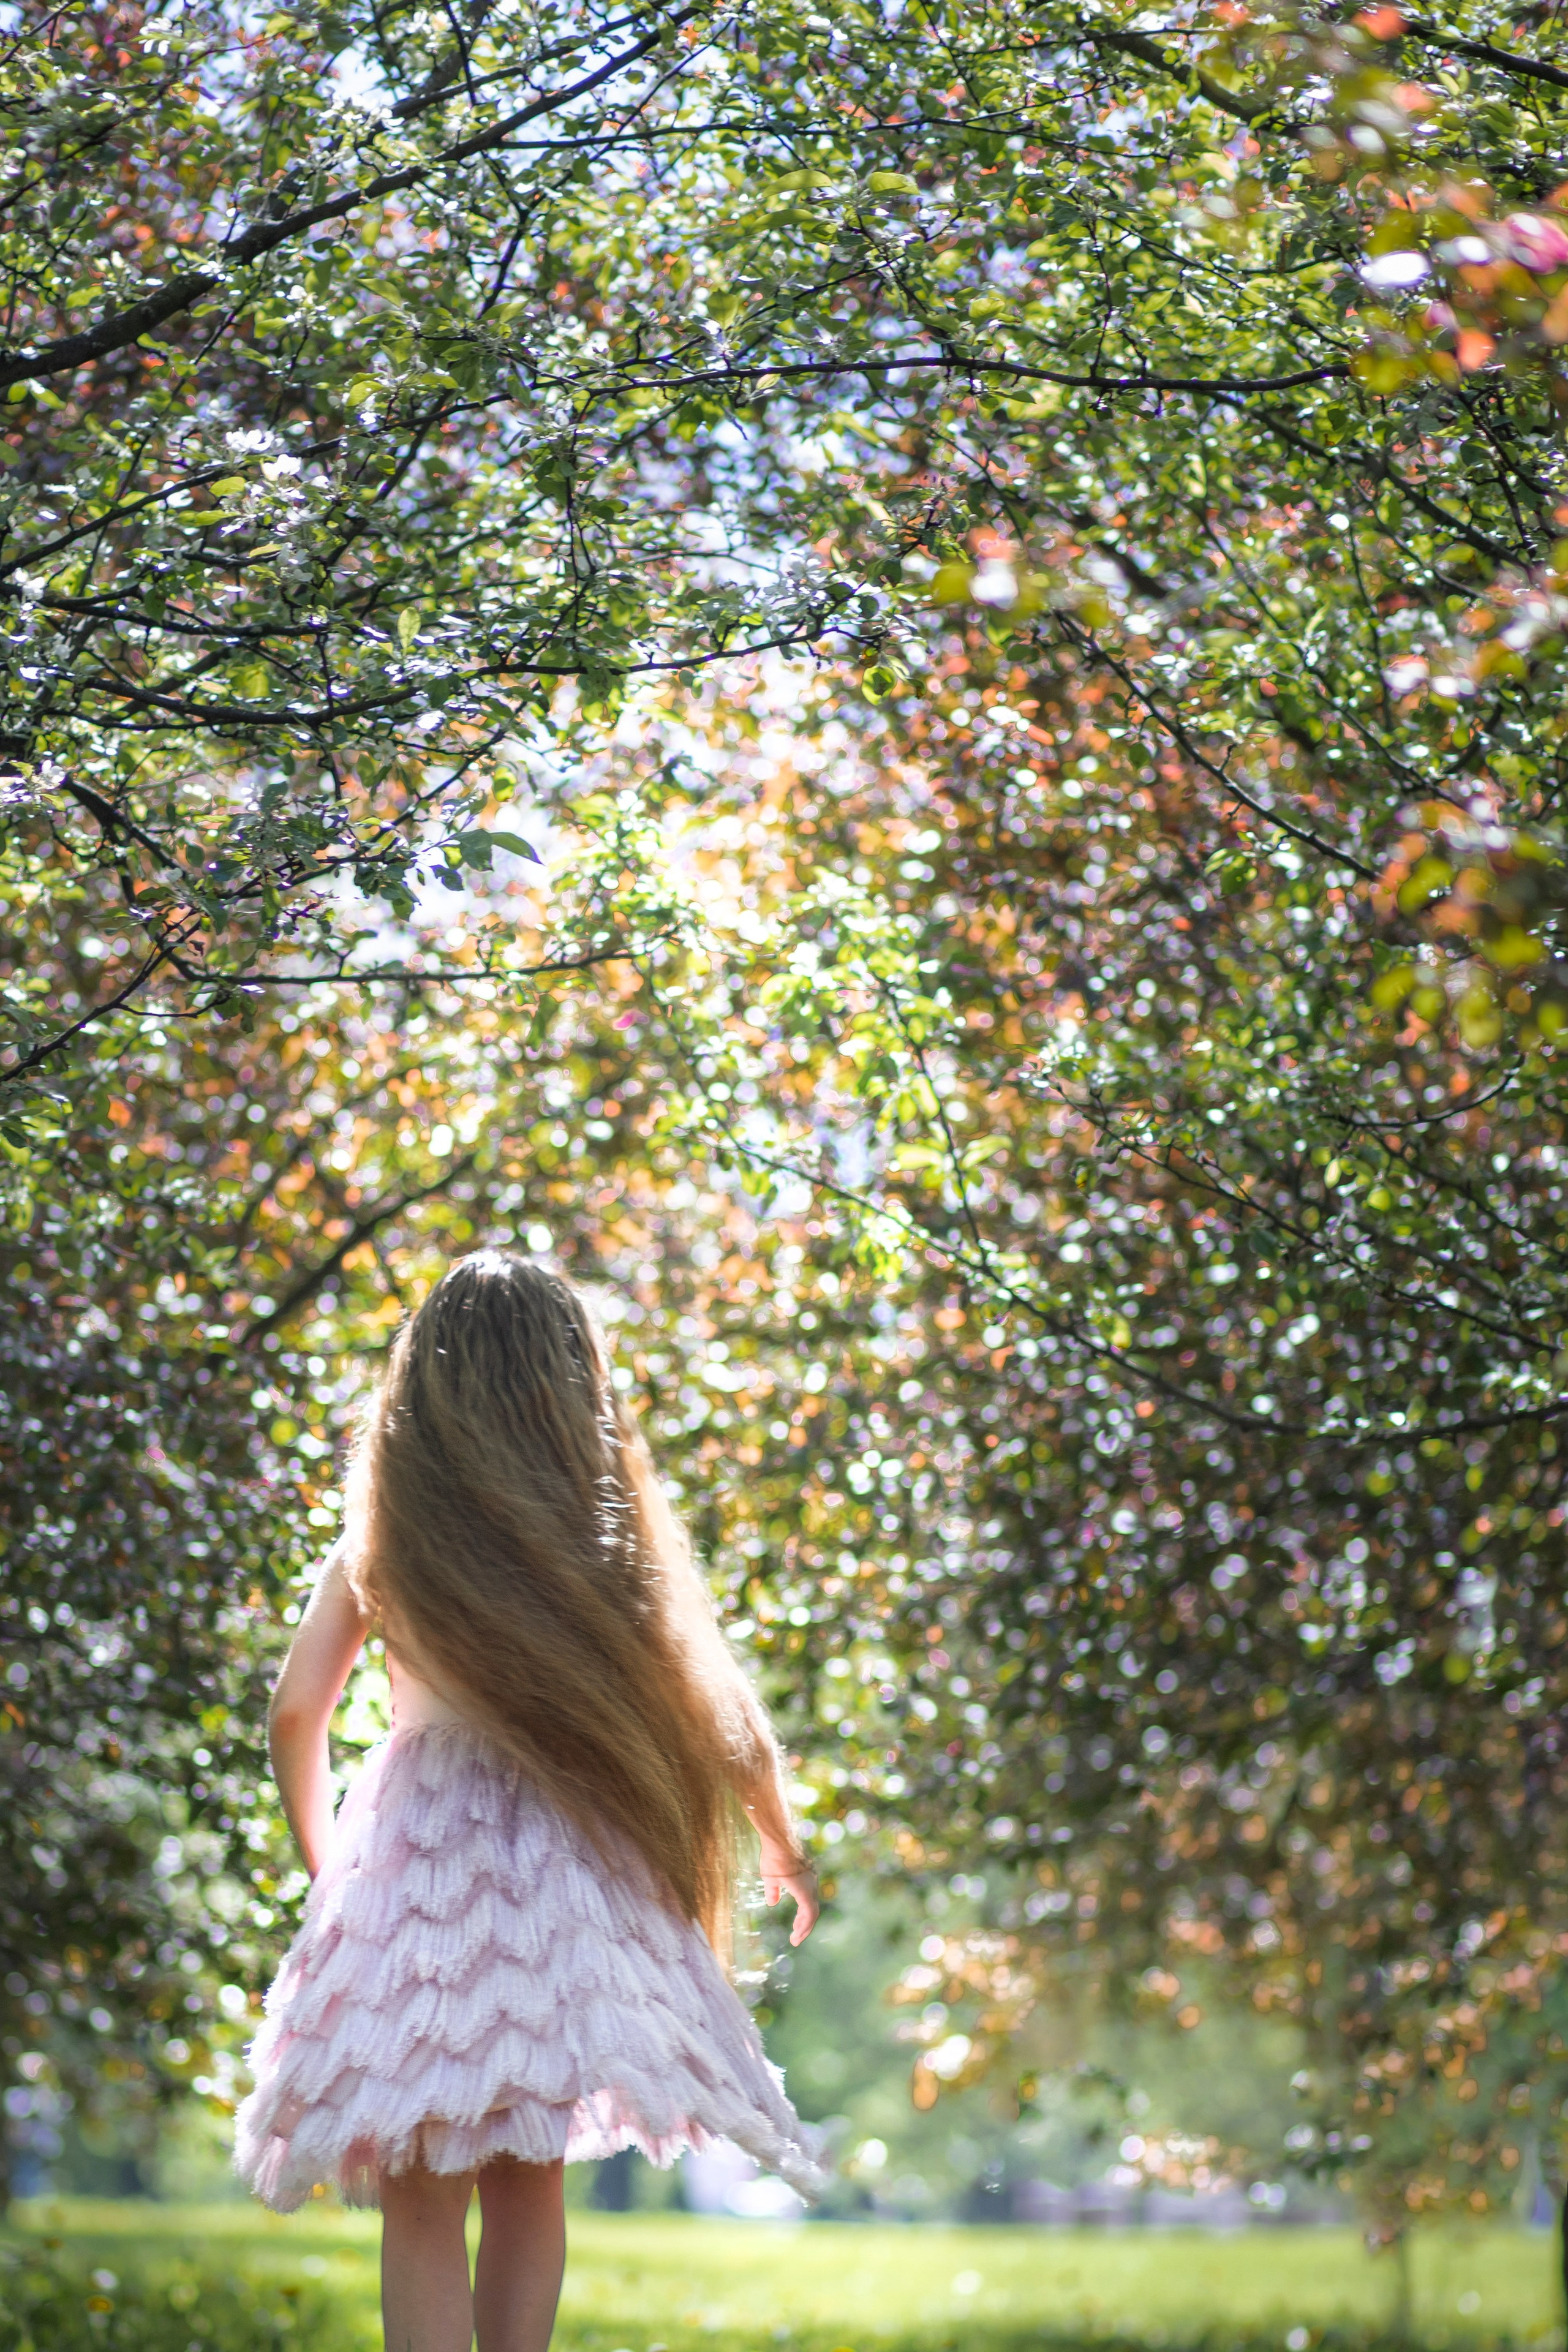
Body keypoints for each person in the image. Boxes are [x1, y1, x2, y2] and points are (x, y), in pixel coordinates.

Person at [234, 1251, 824, 2352]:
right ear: (572, 1382)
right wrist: (779, 1841)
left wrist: (333, 1874)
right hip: (564, 1869)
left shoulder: (384, 1538)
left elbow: (295, 1713)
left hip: (420, 1871)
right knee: (525, 2175)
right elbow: (722, 1711)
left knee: (417, 2194)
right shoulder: (599, 1539)